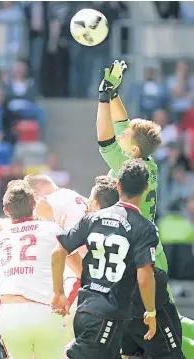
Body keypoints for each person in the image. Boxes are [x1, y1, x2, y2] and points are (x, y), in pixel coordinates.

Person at [96, 60, 194, 357]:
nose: (121, 134)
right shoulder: (144, 164)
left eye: (126, 138)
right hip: (153, 255)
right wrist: (113, 94)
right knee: (164, 325)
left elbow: (104, 139)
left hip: (140, 263)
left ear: (133, 151)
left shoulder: (128, 165)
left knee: (155, 335)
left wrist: (101, 99)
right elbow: (122, 125)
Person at [51, 159, 159, 359]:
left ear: (118, 186)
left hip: (85, 310)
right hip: (105, 316)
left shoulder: (93, 218)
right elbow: (145, 278)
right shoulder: (144, 228)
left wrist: (58, 292)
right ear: (145, 188)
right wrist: (151, 313)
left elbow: (58, 251)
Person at [0, 182, 70, 359]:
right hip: (44, 309)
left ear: (5, 211)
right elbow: (74, 265)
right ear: (34, 205)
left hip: (10, 312)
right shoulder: (52, 229)